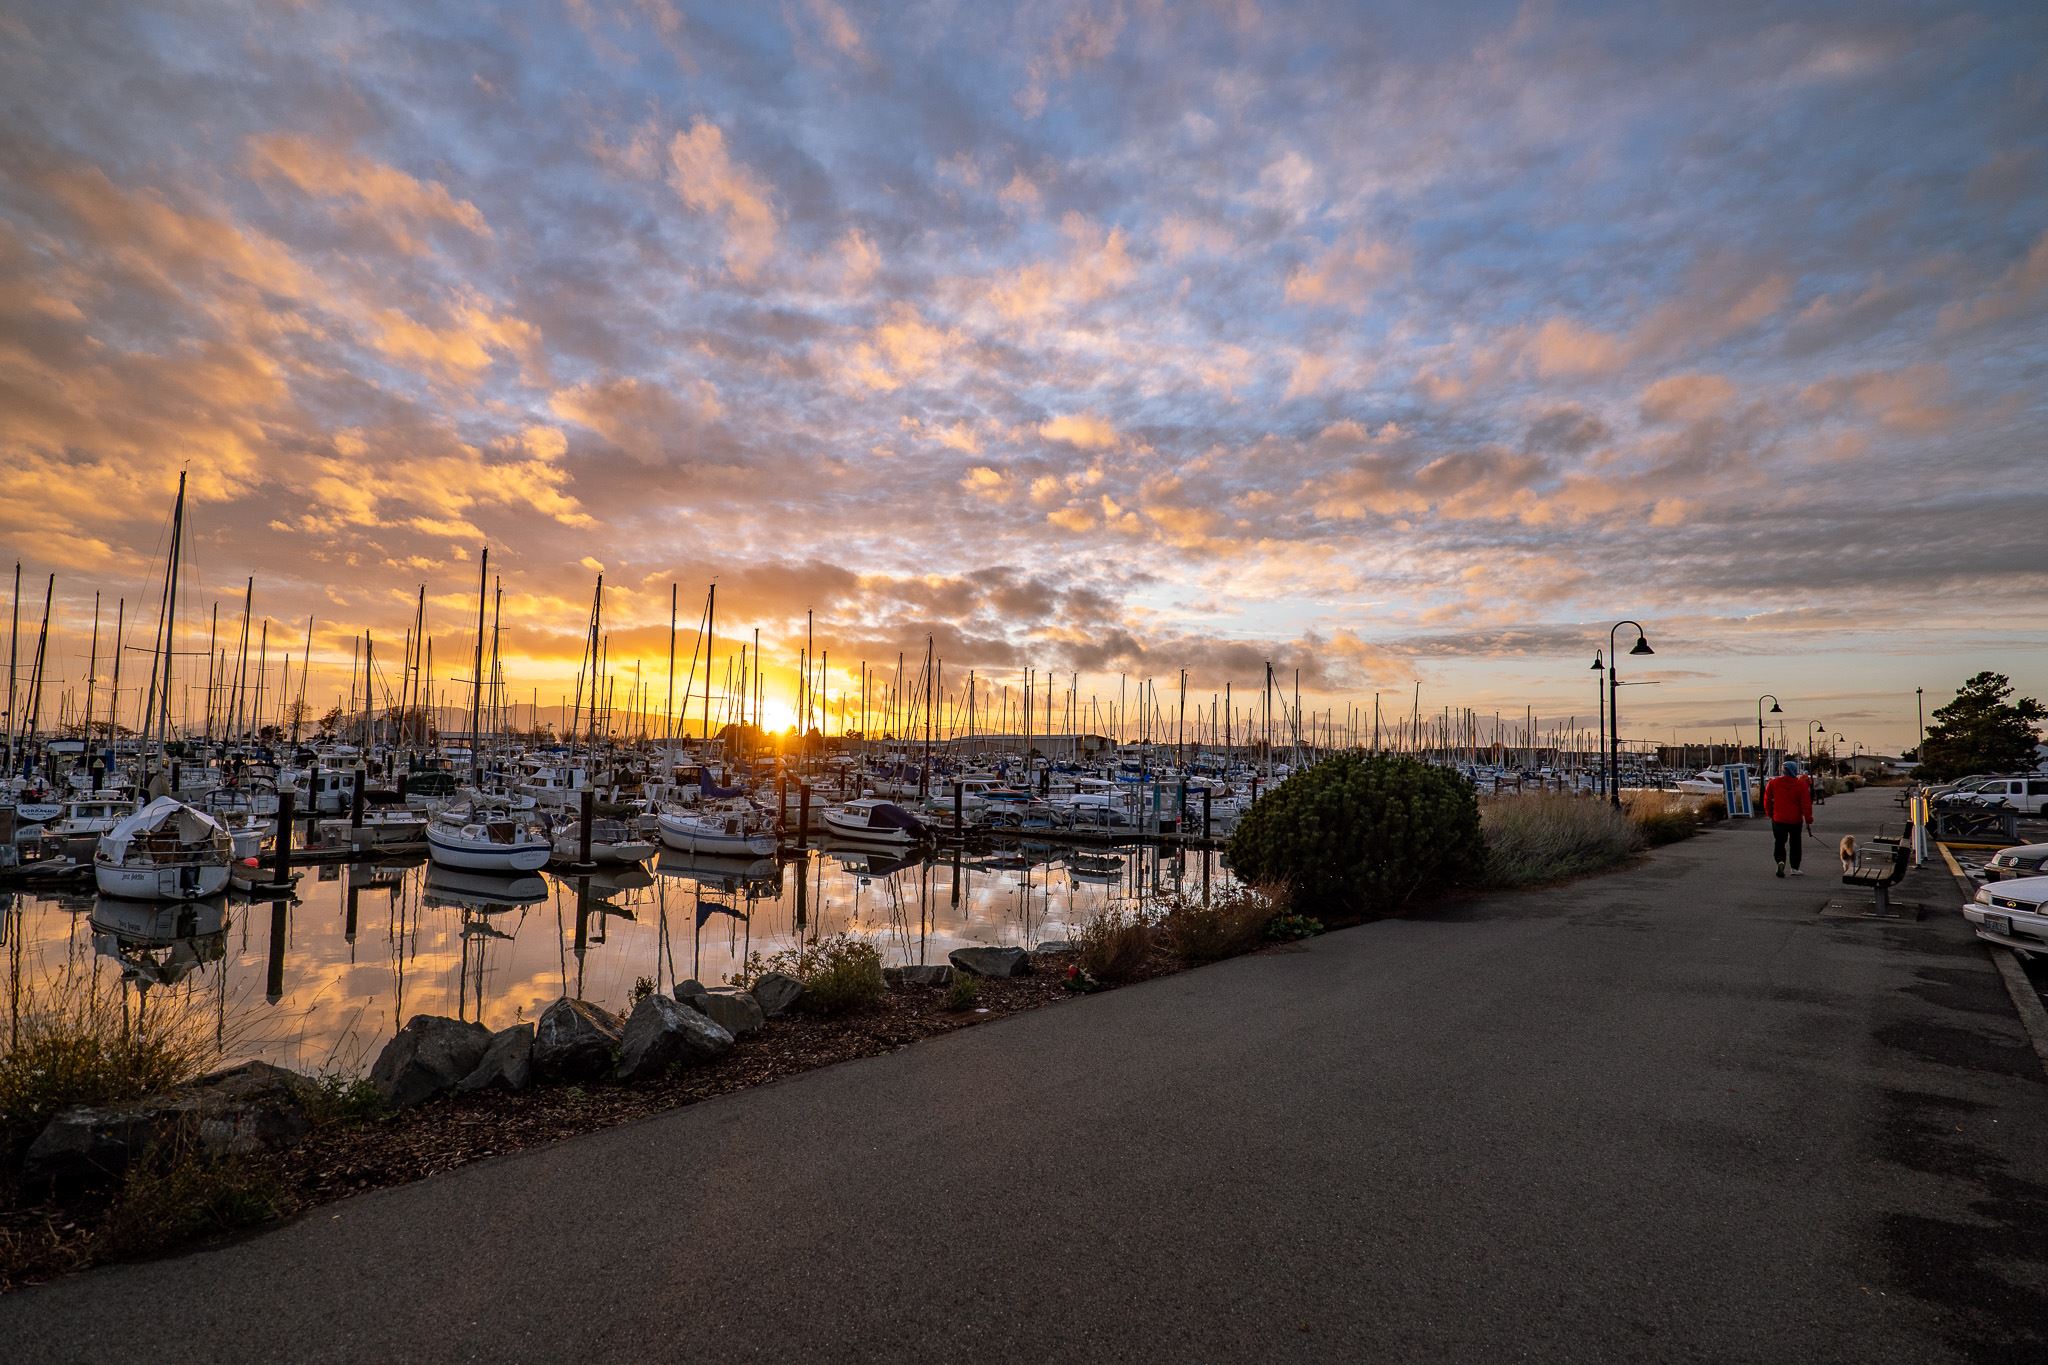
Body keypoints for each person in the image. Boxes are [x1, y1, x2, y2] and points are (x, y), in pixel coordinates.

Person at [1762, 757, 1816, 878]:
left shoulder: (1773, 783)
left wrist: (1770, 813)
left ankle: (1780, 861)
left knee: (1780, 842)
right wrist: (1808, 819)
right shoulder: (1800, 785)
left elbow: (1767, 800)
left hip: (1778, 818)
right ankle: (1794, 867)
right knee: (1795, 843)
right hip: (1795, 819)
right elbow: (1806, 804)